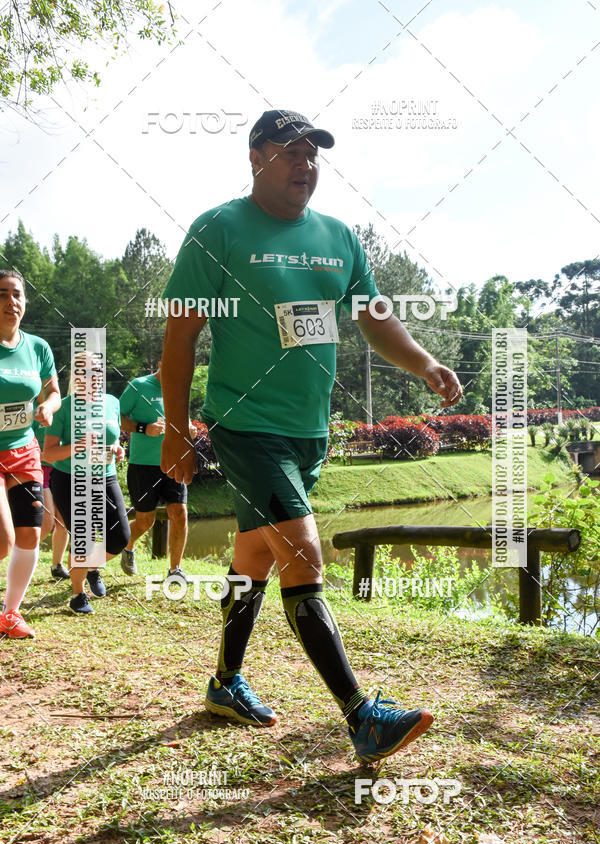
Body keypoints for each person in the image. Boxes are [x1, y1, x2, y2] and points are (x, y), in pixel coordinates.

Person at [159, 109, 463, 764]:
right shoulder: (218, 230)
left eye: (312, 153)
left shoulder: (337, 235)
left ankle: (224, 684)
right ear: (253, 156)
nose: (305, 163)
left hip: (309, 433)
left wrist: (424, 361)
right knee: (303, 554)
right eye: (289, 151)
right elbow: (179, 337)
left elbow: (376, 317)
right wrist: (177, 430)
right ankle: (363, 716)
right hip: (246, 427)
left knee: (255, 558)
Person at [43, 352, 130, 614]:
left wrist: (117, 448)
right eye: (85, 371)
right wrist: (78, 446)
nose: (91, 376)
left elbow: (114, 436)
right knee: (85, 538)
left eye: (96, 371)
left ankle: (92, 567)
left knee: (120, 537)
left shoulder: (112, 402)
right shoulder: (64, 407)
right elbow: (48, 453)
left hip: (105, 475)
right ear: (76, 376)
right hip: (70, 478)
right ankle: (78, 594)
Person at [0, 269, 61, 639]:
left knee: (29, 534)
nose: (11, 301)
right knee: (3, 539)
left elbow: (53, 391)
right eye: (3, 294)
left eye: (17, 294)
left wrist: (50, 408)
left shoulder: (37, 347)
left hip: (24, 450)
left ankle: (10, 613)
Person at [119, 361, 196, 582]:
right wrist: (144, 428)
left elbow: (184, 419)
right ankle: (128, 545)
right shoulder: (138, 386)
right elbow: (117, 417)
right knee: (145, 521)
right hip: (143, 465)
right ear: (162, 363)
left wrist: (187, 428)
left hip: (174, 461)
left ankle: (175, 570)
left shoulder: (180, 387)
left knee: (179, 513)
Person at [32, 413, 69, 580]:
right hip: (38, 469)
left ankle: (57, 566)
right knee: (47, 522)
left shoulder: (66, 409)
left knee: (64, 521)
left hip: (62, 469)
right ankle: (21, 556)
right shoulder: (32, 410)